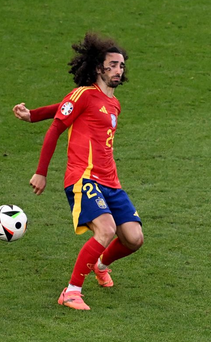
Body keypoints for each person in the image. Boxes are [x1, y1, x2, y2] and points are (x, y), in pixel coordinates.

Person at [13, 32, 143, 311]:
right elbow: (57, 126)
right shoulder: (85, 94)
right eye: (112, 65)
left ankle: (100, 264)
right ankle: (71, 291)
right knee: (106, 230)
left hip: (111, 182)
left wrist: (32, 113)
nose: (118, 70)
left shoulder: (114, 104)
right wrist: (41, 172)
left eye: (121, 65)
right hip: (83, 178)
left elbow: (61, 108)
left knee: (134, 239)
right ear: (99, 68)